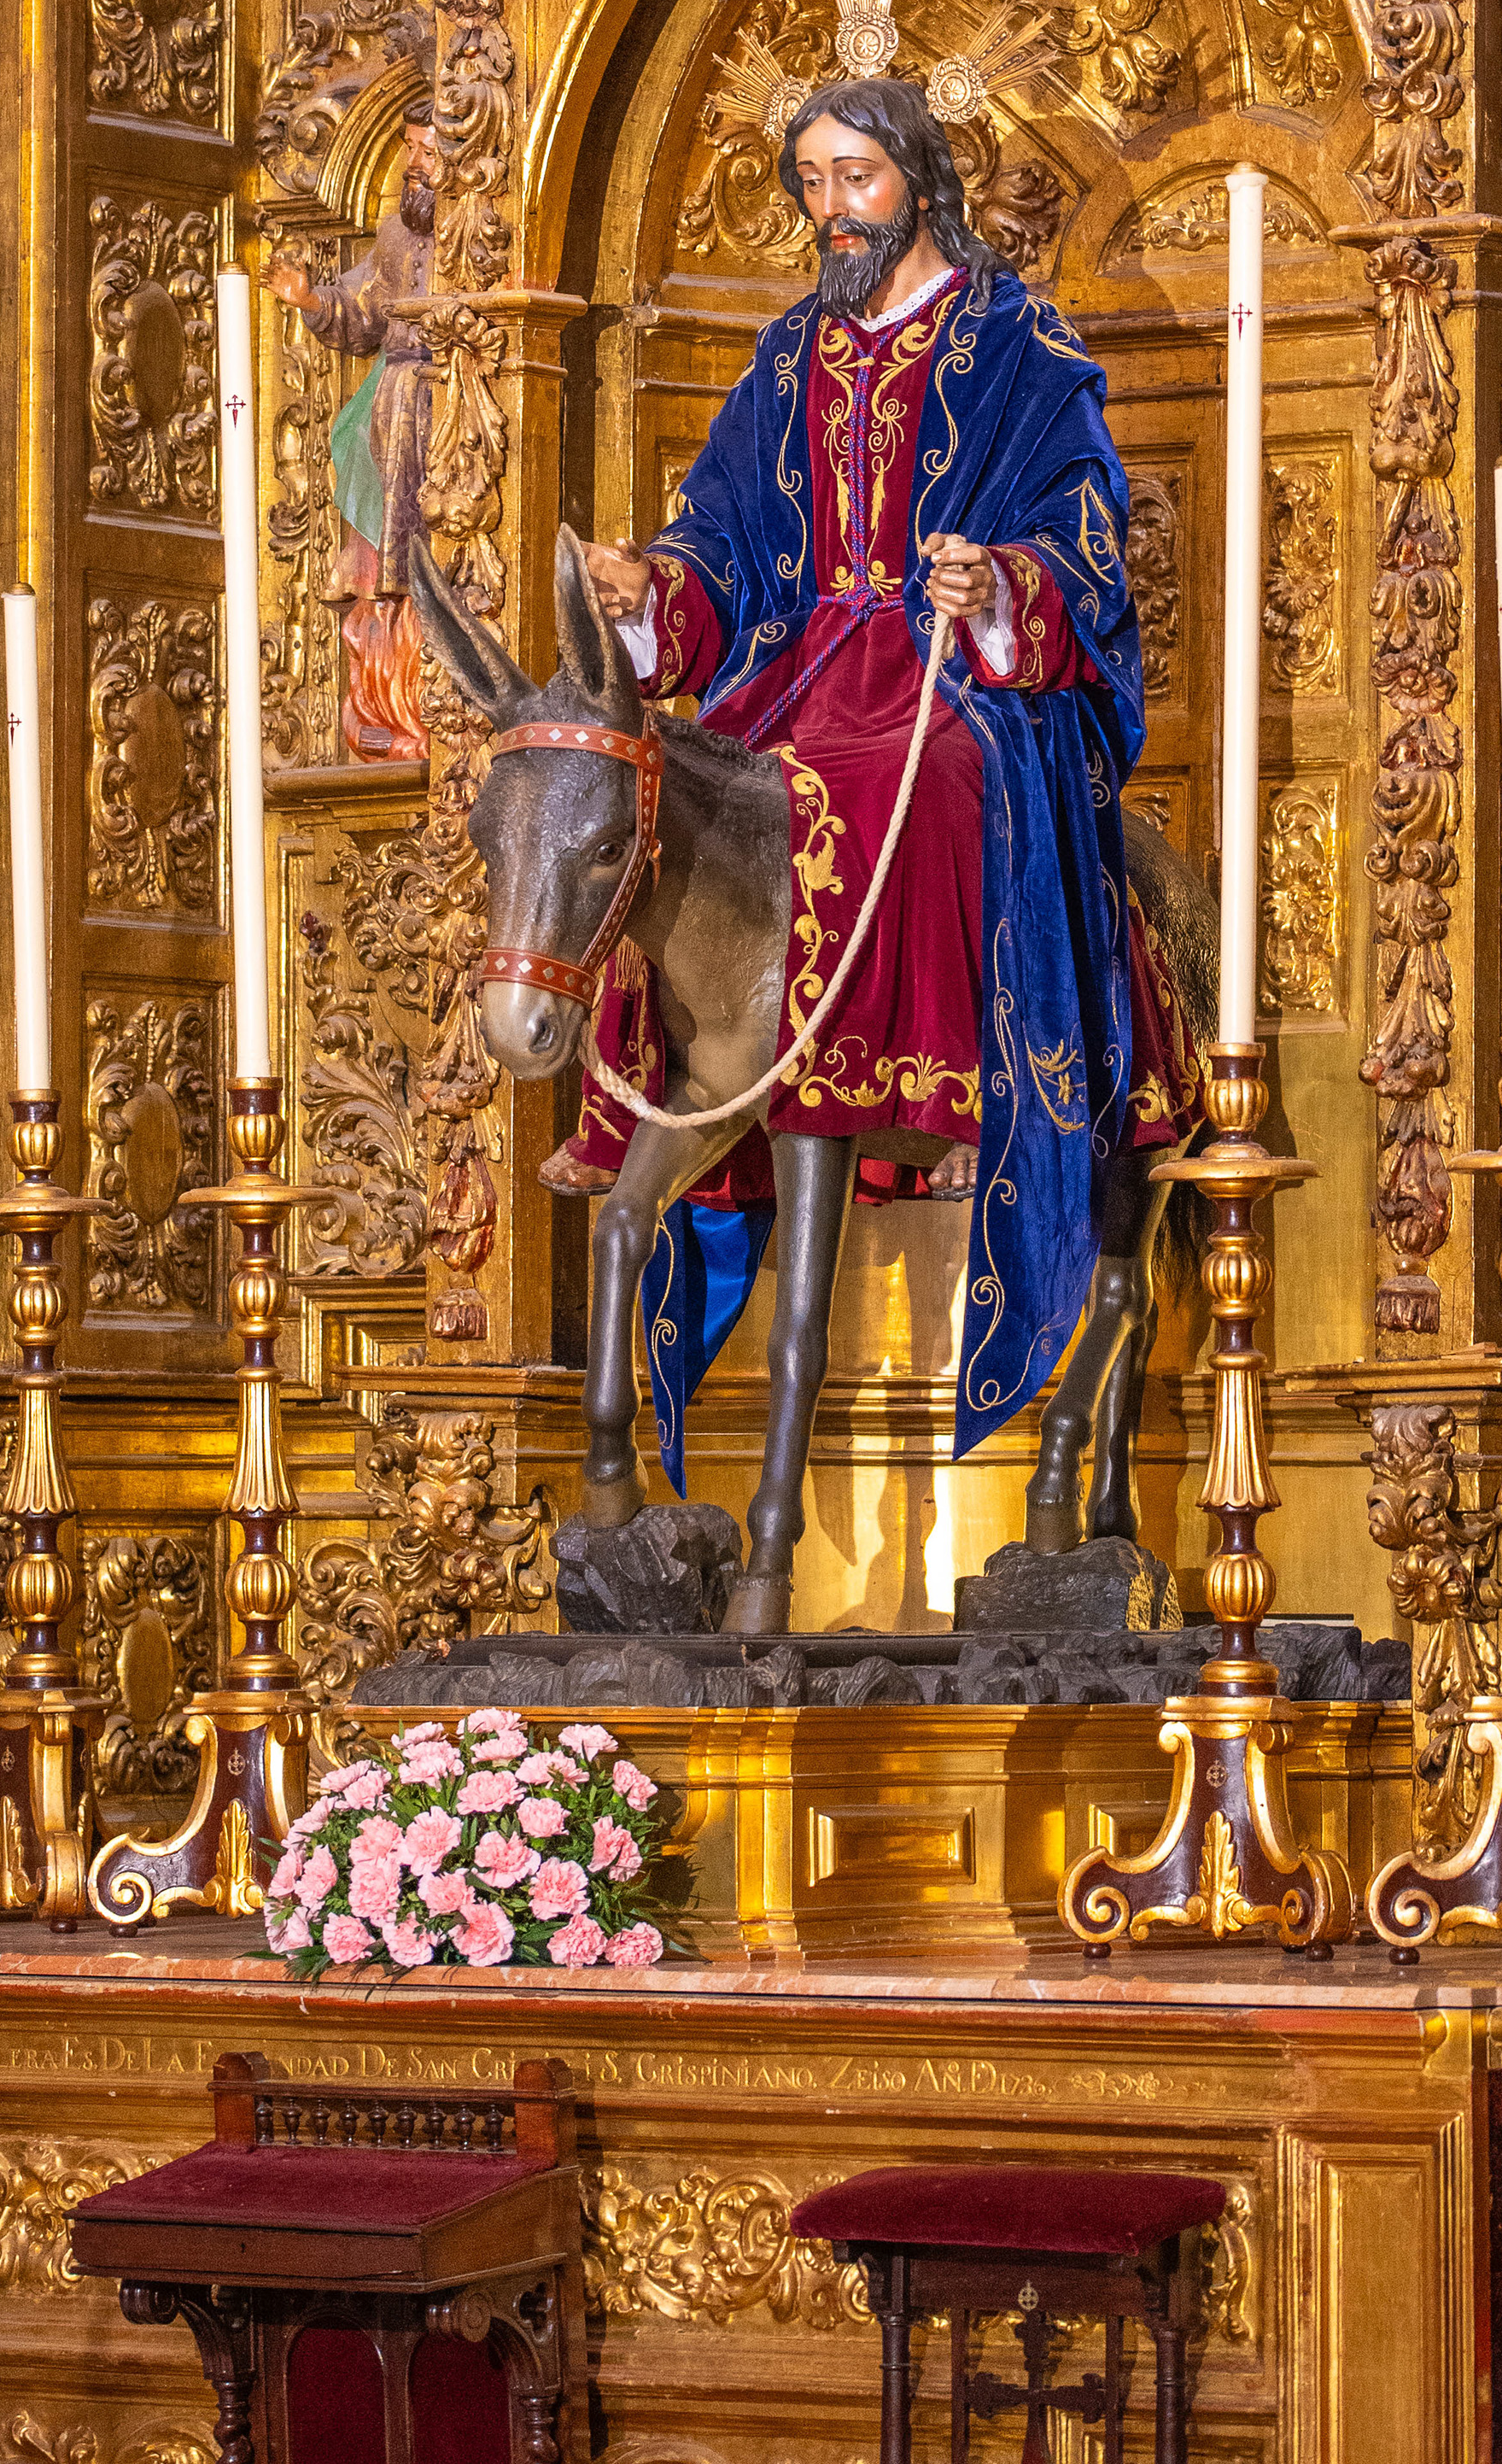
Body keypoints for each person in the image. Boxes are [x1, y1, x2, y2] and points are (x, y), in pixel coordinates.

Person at [561, 72, 1199, 1462]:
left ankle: (908, 1074)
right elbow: (722, 546)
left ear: (915, 176)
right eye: (810, 181)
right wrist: (644, 587)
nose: (830, 207)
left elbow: (1084, 533)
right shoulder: (790, 354)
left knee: (900, 787)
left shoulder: (1013, 338)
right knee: (692, 803)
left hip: (955, 676)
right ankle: (705, 1091)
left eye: (854, 176)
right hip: (798, 667)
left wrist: (996, 583)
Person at [266, 110, 441, 762]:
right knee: (375, 568)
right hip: (390, 411)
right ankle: (381, 707)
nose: (415, 163)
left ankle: (426, 707)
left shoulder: (483, 229)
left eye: (429, 149)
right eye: (410, 148)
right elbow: (364, 307)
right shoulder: (396, 233)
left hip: (445, 406)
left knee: (431, 568)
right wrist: (313, 300)